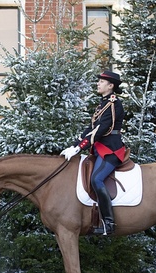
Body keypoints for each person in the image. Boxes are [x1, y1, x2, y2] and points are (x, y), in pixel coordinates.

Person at [61, 70, 126, 235]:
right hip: (99, 148)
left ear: (111, 86)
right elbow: (90, 128)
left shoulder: (113, 103)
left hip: (111, 148)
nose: (98, 83)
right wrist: (74, 145)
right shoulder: (103, 104)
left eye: (102, 82)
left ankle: (108, 223)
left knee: (97, 179)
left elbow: (102, 129)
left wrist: (80, 147)